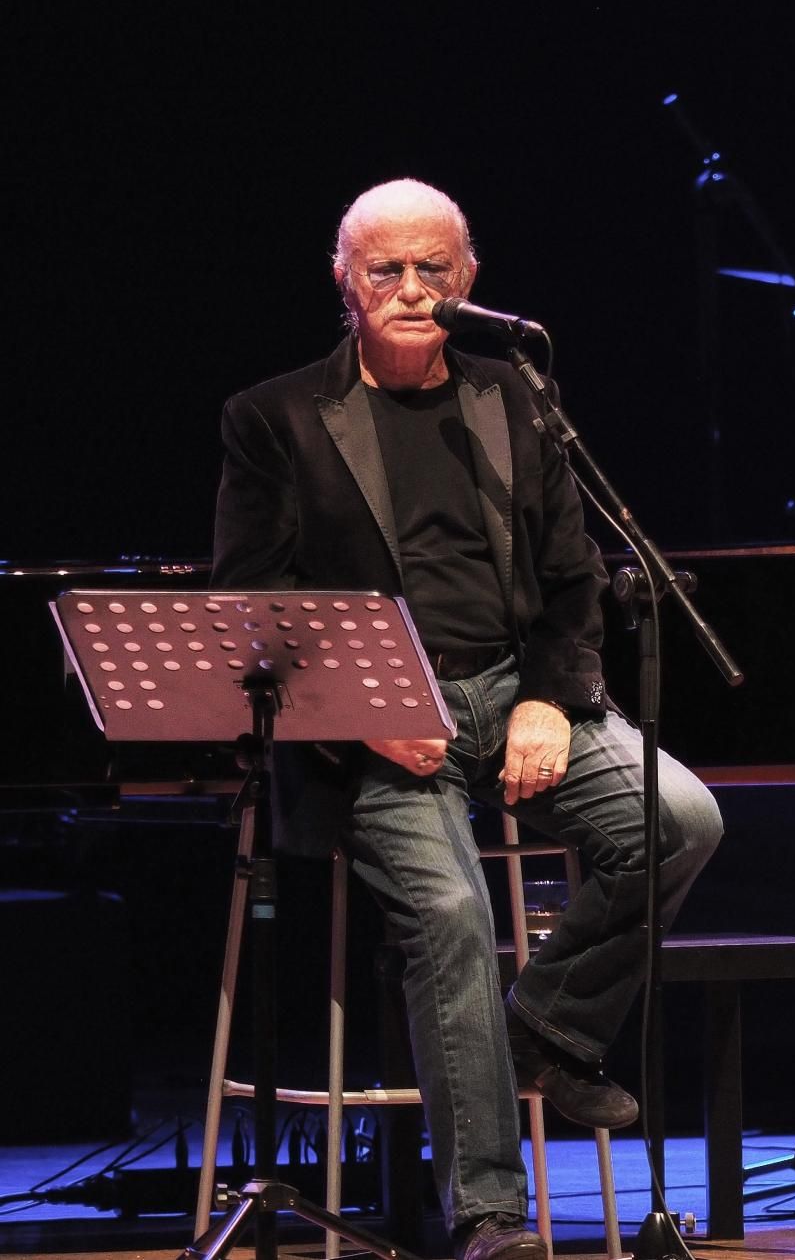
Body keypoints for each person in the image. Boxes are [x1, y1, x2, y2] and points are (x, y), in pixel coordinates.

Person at [212, 178, 724, 1260]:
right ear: (344, 281)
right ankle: (491, 1215)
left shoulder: (516, 395)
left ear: (469, 278)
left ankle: (547, 1025)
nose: (411, 288)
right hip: (376, 720)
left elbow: (574, 581)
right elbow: (255, 607)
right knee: (449, 910)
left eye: (432, 269)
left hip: (511, 689)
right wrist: (363, 711)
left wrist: (548, 696)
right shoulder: (274, 417)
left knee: (682, 816)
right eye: (385, 269)